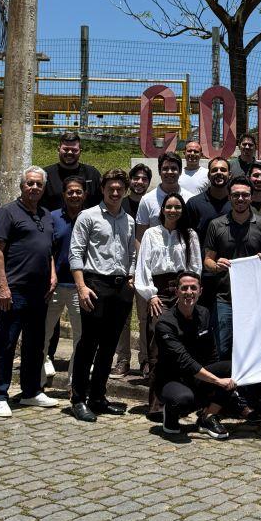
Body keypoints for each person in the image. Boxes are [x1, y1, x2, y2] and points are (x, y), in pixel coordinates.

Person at [0, 167, 59, 416]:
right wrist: (3, 286)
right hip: (14, 291)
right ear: (22, 186)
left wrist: (52, 274)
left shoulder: (46, 215)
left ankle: (31, 392)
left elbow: (49, 249)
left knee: (35, 345)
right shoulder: (8, 212)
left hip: (40, 293)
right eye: (30, 183)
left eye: (39, 184)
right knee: (6, 343)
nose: (34, 188)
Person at [69, 169, 136, 422]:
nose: (115, 193)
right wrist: (81, 287)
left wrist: (131, 277)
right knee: (88, 344)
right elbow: (75, 253)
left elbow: (131, 253)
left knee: (109, 346)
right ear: (103, 189)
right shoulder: (88, 216)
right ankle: (78, 399)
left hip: (120, 289)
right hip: (95, 285)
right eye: (111, 188)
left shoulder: (129, 220)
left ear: (125, 191)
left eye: (120, 189)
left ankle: (98, 396)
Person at [154, 272, 247, 440]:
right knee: (184, 399)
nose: (189, 292)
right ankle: (170, 413)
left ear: (200, 291)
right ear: (176, 291)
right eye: (184, 288)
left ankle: (208, 416)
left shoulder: (204, 313)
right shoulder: (165, 323)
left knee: (234, 368)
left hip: (197, 375)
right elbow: (184, 361)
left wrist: (218, 386)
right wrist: (217, 381)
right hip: (171, 379)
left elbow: (212, 352)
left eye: (193, 288)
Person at [135, 191, 202, 417]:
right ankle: (156, 404)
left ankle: (182, 401)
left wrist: (190, 293)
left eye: (177, 207)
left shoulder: (190, 235)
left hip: (183, 291)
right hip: (159, 293)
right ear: (162, 210)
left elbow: (195, 266)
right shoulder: (151, 234)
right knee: (158, 344)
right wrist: (151, 295)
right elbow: (143, 266)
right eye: (169, 207)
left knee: (183, 344)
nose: (173, 211)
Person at [202, 176, 261, 360]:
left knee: (254, 348)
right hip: (225, 298)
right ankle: (225, 379)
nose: (240, 199)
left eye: (245, 195)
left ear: (251, 197)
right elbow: (207, 261)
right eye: (236, 195)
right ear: (229, 197)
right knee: (223, 348)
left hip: (255, 299)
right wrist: (216, 265)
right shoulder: (216, 225)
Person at [42, 175, 86, 387]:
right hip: (55, 286)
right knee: (43, 334)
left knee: (80, 338)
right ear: (63, 194)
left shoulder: (90, 217)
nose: (74, 195)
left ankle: (73, 385)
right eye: (71, 192)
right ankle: (37, 383)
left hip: (80, 287)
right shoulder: (52, 217)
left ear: (84, 194)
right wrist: (51, 275)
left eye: (78, 192)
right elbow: (47, 249)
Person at [113, 162, 154, 378]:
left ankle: (146, 359)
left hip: (146, 269)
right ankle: (123, 359)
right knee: (122, 317)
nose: (139, 182)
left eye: (144, 179)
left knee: (145, 317)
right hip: (122, 268)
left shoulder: (152, 204)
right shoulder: (120, 204)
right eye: (136, 178)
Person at [40, 131, 102, 211]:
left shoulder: (92, 174)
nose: (69, 152)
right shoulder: (46, 174)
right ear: (58, 149)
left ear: (80, 151)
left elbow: (102, 200)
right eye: (66, 149)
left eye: (74, 150)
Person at [136, 151, 190, 243]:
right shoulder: (147, 200)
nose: (169, 172)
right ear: (159, 172)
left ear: (180, 171)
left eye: (174, 168)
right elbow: (140, 238)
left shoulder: (190, 199)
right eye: (165, 168)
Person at [186, 158, 232, 247]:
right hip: (201, 255)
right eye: (214, 170)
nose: (219, 172)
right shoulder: (194, 204)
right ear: (208, 175)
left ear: (230, 175)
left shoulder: (237, 203)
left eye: (223, 170)